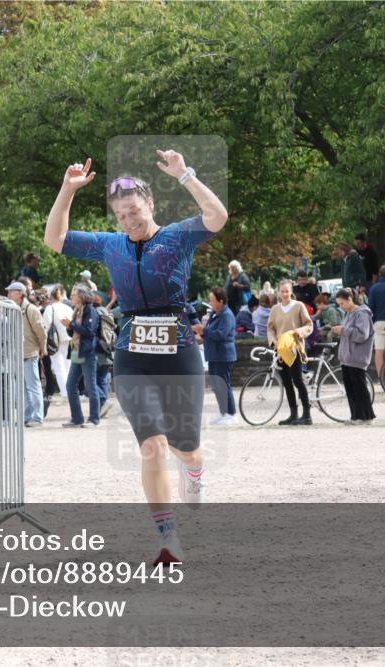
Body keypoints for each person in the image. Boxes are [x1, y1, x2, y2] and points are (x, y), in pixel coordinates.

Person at [44, 150, 228, 566]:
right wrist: (66, 191)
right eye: (121, 215)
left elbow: (217, 217)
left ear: (151, 205)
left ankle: (194, 469)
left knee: (187, 447)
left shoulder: (179, 236)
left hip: (179, 349)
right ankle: (168, 538)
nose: (128, 220)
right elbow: (54, 239)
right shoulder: (110, 246)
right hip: (133, 354)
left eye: (134, 211)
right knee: (152, 446)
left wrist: (186, 175)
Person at [267, 279, 314, 425]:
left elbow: (309, 324)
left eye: (287, 291)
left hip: (295, 349)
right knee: (286, 382)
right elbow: (270, 328)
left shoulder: (299, 306)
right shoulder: (275, 309)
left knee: (298, 380)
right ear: (279, 292)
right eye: (282, 291)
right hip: (281, 350)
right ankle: (293, 413)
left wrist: (298, 332)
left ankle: (306, 414)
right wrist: (273, 340)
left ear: (291, 291)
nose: (285, 294)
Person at [330, 288, 375, 424]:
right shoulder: (348, 313)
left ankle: (367, 416)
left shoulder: (362, 313)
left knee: (359, 388)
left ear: (350, 299)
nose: (341, 307)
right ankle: (356, 416)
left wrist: (343, 330)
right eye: (339, 304)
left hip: (357, 357)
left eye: (342, 303)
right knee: (351, 388)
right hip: (347, 358)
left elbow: (362, 335)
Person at [7, 281, 47, 427]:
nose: (8, 294)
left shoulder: (30, 309)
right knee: (22, 388)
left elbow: (41, 331)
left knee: (33, 386)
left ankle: (37, 417)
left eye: (11, 291)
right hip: (17, 353)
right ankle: (27, 416)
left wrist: (43, 348)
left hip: (30, 352)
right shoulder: (13, 308)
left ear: (19, 293)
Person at [195, 287, 238, 425]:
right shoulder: (215, 313)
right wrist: (201, 332)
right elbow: (210, 332)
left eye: (213, 300)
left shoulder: (227, 315)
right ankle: (223, 412)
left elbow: (221, 334)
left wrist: (204, 330)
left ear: (221, 301)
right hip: (214, 355)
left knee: (224, 384)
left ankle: (231, 413)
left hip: (223, 355)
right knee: (216, 384)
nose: (210, 302)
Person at [62, 285, 101, 427]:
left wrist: (71, 324)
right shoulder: (77, 310)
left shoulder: (90, 310)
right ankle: (77, 418)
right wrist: (69, 328)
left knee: (90, 386)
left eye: (74, 294)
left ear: (82, 296)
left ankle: (94, 419)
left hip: (87, 353)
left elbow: (89, 332)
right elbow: (74, 333)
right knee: (70, 385)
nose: (71, 296)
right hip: (76, 351)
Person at [41, 284, 74, 404]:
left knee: (59, 367)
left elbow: (45, 326)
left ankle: (66, 393)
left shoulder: (50, 308)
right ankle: (70, 392)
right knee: (68, 366)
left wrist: (42, 344)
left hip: (55, 341)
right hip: (69, 339)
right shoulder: (68, 308)